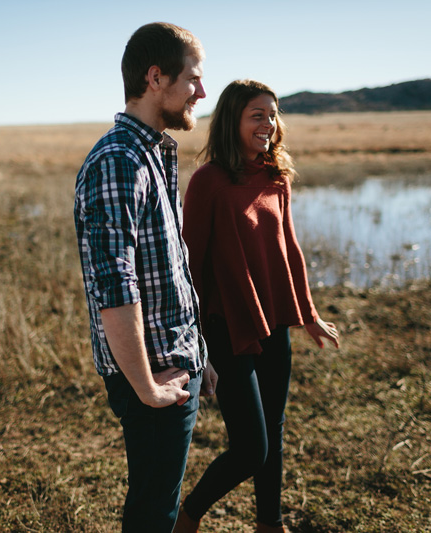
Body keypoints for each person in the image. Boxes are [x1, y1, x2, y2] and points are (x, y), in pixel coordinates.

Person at [175, 80, 340, 533]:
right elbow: (190, 261)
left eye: (272, 115)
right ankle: (187, 517)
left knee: (275, 430)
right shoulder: (209, 181)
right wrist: (195, 338)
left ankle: (269, 524)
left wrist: (307, 314)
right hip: (225, 326)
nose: (268, 124)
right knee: (251, 448)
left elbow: (289, 246)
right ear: (232, 120)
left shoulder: (276, 176)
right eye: (257, 115)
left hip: (273, 323)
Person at [73, 22, 218, 533]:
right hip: (152, 375)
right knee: (154, 512)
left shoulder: (152, 153)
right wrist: (146, 387)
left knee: (162, 498)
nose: (202, 92)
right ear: (156, 78)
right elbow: (115, 287)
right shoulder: (119, 162)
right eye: (193, 79)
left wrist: (198, 353)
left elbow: (171, 269)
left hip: (174, 362)